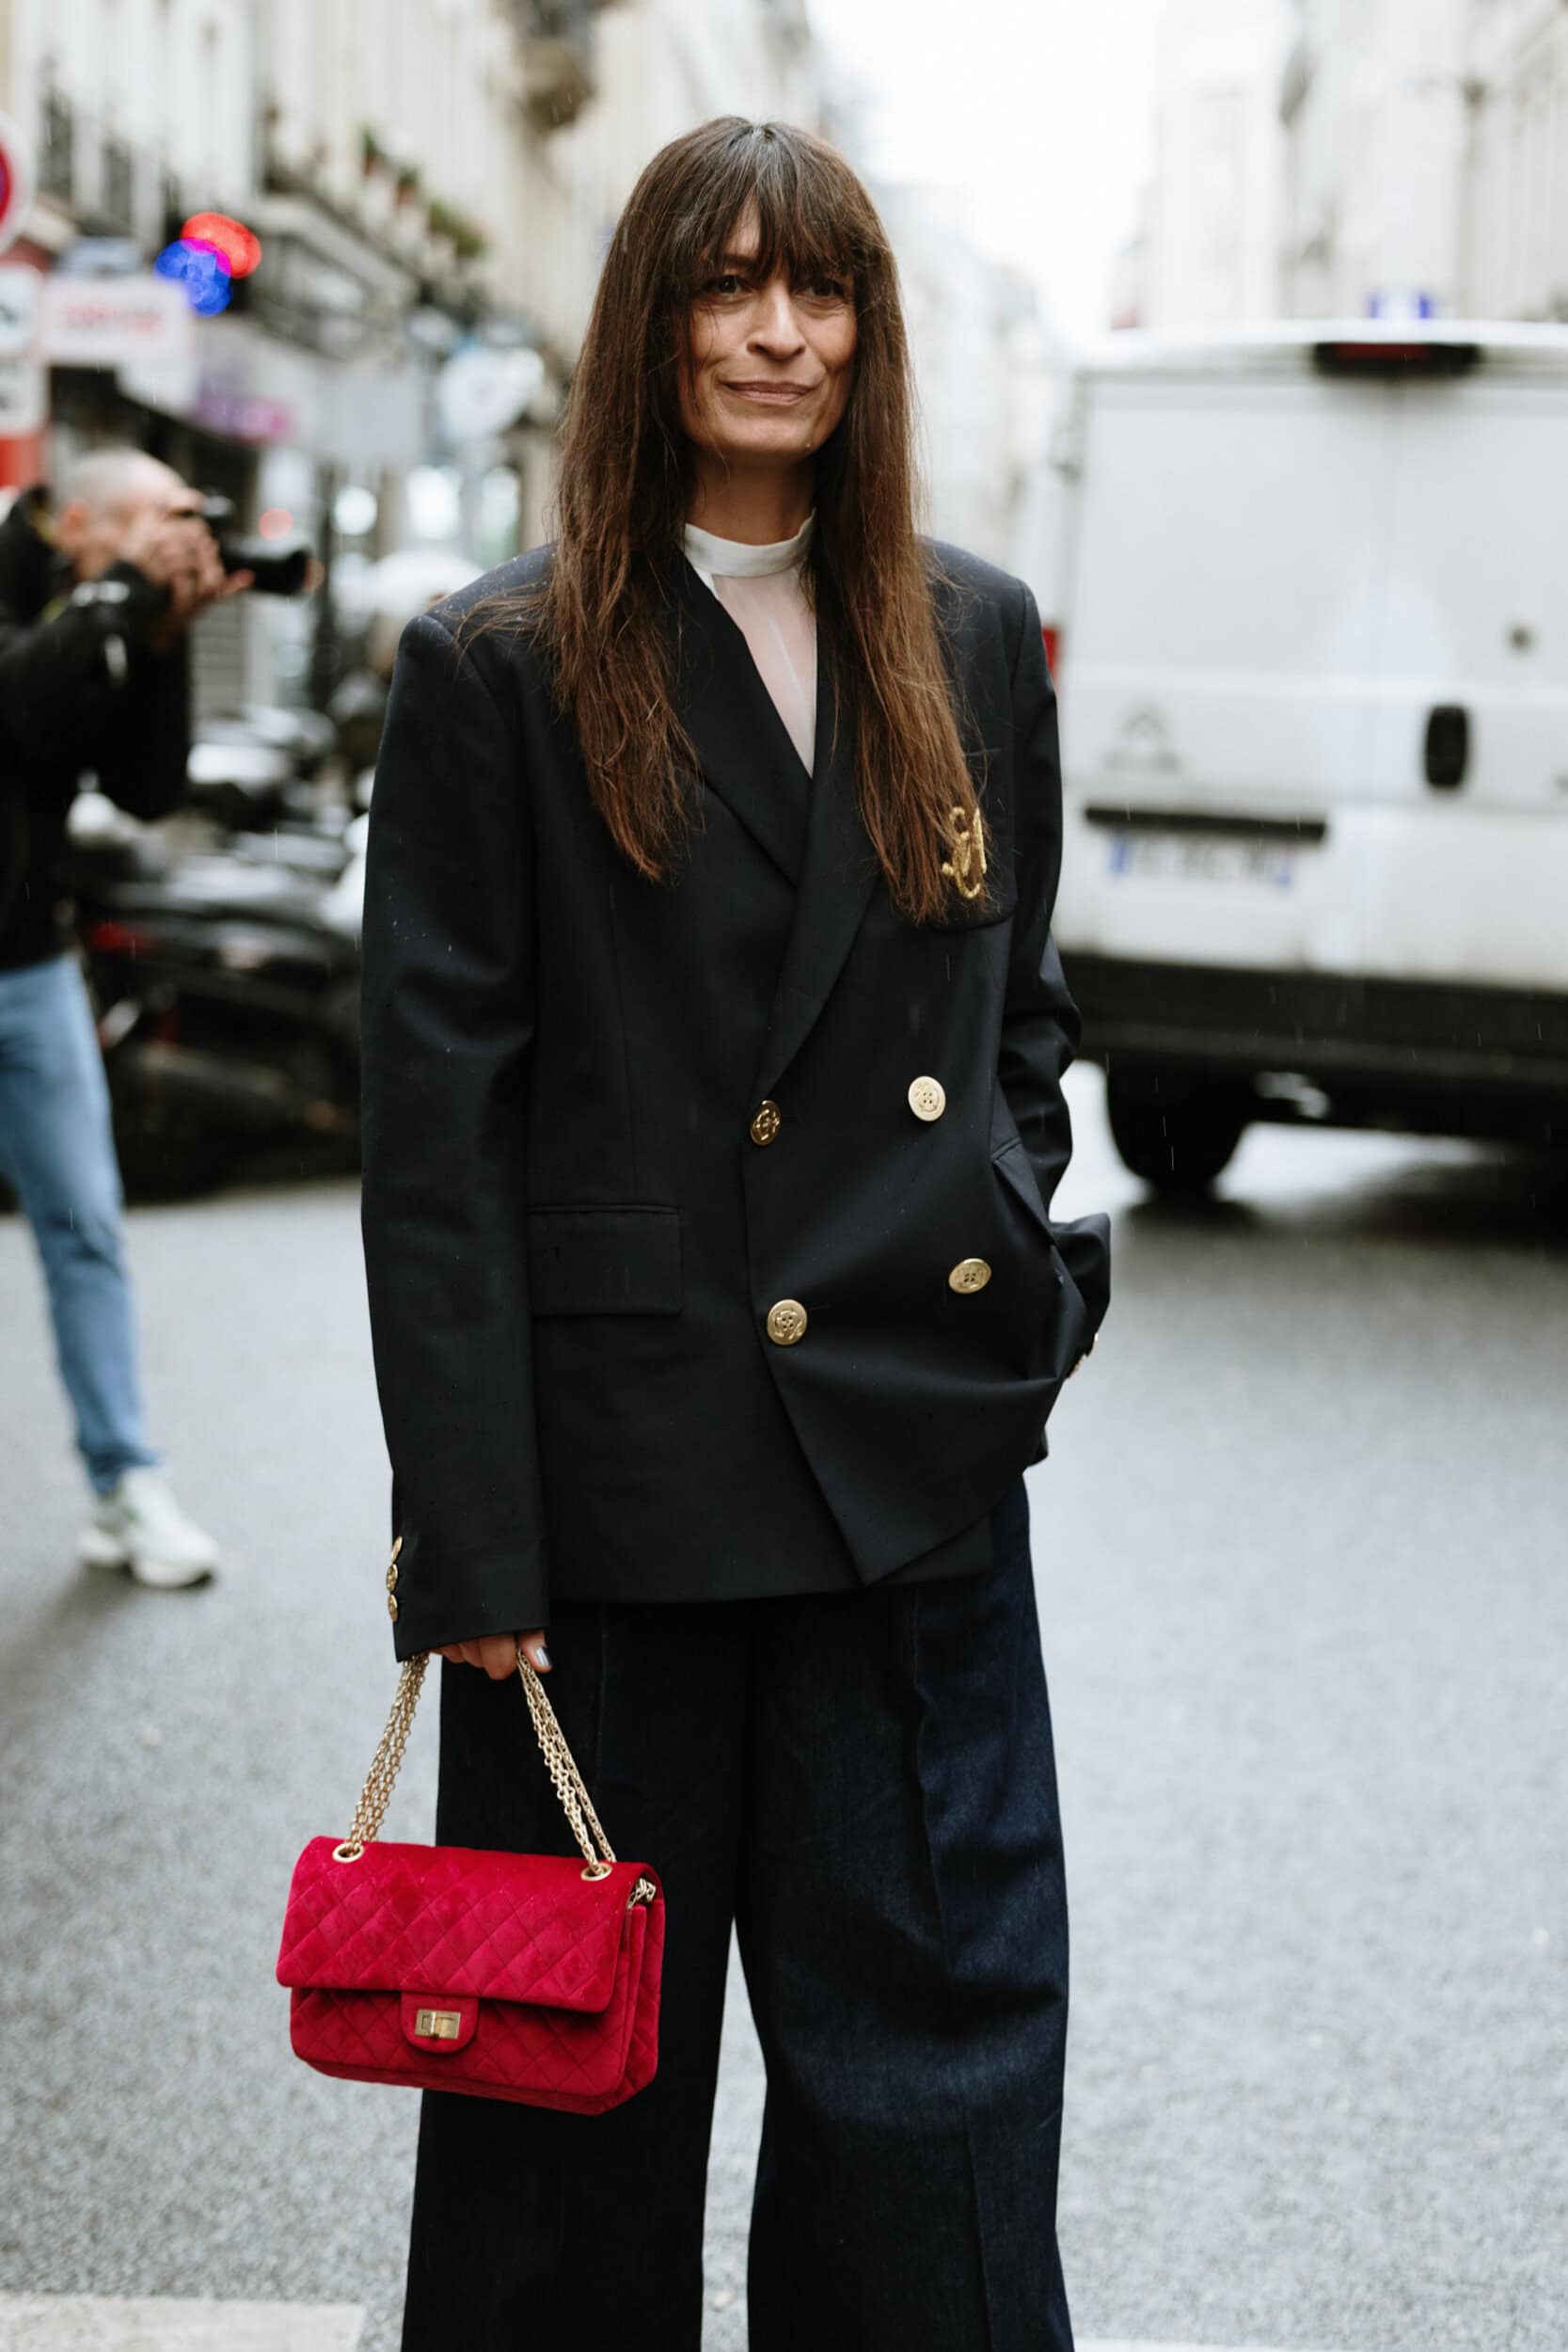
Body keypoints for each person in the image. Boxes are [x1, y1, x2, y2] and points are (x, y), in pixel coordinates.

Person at [361, 119, 1112, 2352]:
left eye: (821, 289)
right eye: (726, 283)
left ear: (871, 336)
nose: (776, 329)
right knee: (566, 2107)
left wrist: (1006, 1244)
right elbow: (439, 1141)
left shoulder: (966, 633)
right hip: (611, 1514)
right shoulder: (500, 660)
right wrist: (470, 1548)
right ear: (651, 323)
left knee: (940, 2088)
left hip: (911, 1481)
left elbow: (1026, 1012)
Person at [0, 450, 243, 1588]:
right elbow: (14, 703)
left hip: (29, 963)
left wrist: (167, 635)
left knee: (87, 1225)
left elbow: (147, 787)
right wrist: (127, 600)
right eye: (157, 523)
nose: (175, 541)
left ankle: (123, 1481)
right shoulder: (39, 593)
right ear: (75, 519)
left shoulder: (115, 611)